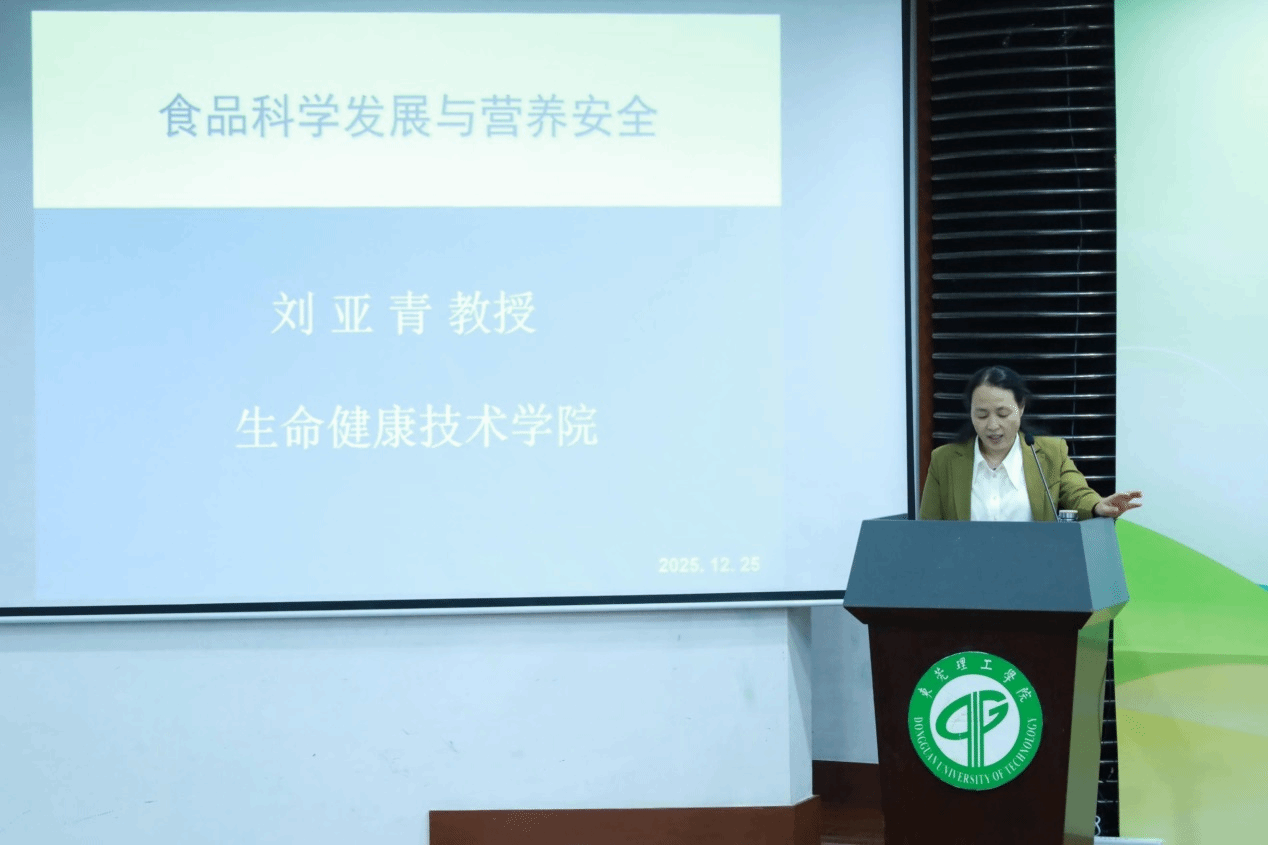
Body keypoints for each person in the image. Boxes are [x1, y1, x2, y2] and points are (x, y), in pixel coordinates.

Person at [919, 365, 1143, 521]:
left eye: (1003, 414)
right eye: (981, 415)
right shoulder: (944, 460)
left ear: (1021, 408)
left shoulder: (1049, 453)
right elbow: (927, 531)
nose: (993, 425)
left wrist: (1098, 505)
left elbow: (1077, 494)